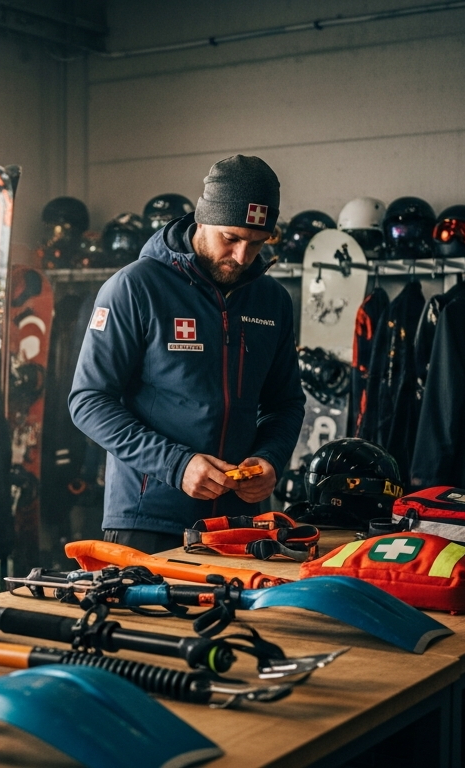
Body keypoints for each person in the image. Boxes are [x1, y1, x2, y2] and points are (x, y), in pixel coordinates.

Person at [69, 155, 304, 553]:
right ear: (202, 218)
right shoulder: (134, 288)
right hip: (148, 520)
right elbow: (88, 402)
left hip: (239, 524)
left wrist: (271, 458)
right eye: (230, 238)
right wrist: (176, 465)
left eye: (257, 243)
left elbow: (285, 403)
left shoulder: (273, 301)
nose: (243, 257)